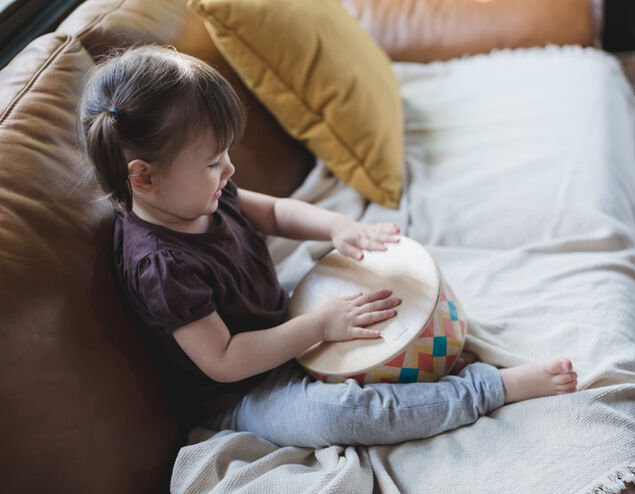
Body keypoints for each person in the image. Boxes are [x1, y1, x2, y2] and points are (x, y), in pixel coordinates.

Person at [78, 45, 579, 449]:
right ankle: (488, 390)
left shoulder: (202, 192)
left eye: (227, 153)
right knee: (346, 416)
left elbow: (274, 212)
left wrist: (338, 227)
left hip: (279, 320)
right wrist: (319, 325)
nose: (229, 170)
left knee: (379, 288)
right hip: (244, 391)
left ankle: (444, 353)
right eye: (213, 161)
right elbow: (225, 359)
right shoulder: (160, 266)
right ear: (142, 177)